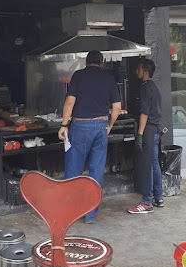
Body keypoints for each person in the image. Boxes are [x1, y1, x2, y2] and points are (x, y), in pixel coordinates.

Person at [58, 50, 122, 223]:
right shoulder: (109, 78)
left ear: (86, 62)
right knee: (96, 171)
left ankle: (70, 212)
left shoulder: (78, 76)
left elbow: (69, 102)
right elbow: (117, 107)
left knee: (74, 170)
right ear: (102, 63)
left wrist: (64, 125)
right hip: (101, 126)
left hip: (80, 126)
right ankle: (91, 214)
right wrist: (109, 125)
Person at [128, 58, 163, 214]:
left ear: (145, 72)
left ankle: (146, 202)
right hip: (155, 129)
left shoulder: (145, 87)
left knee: (146, 165)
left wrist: (140, 134)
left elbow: (144, 113)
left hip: (148, 130)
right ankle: (158, 197)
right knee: (154, 163)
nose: (137, 71)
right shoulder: (154, 87)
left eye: (139, 69)